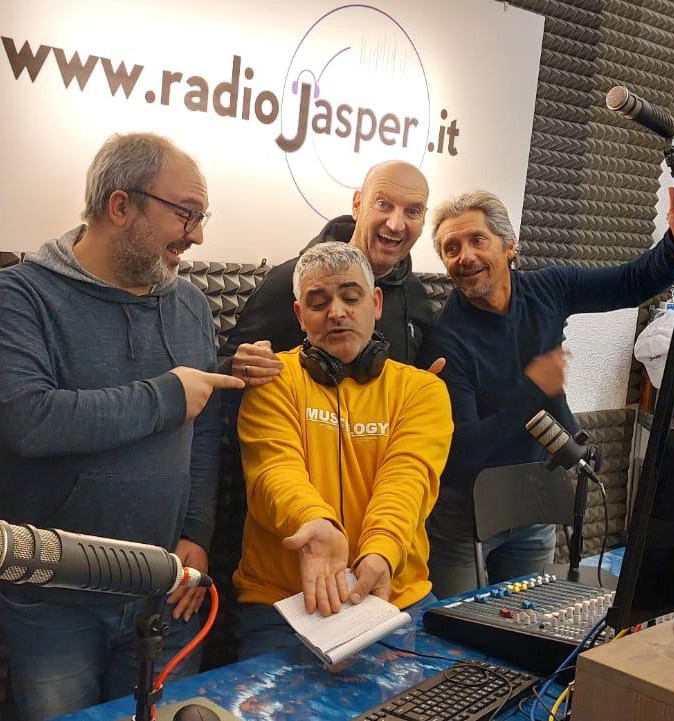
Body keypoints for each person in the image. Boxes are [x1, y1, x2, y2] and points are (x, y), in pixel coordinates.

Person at [0, 133, 244, 721]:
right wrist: (167, 396)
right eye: (186, 214)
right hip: (54, 601)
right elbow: (28, 420)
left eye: (201, 217)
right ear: (120, 206)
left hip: (166, 587)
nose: (197, 236)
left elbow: (203, 435)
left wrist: (197, 531)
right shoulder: (20, 297)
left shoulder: (191, 304)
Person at [418, 188, 674, 597]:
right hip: (465, 511)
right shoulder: (445, 340)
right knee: (455, 620)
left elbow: (632, 282)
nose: (465, 256)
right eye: (452, 248)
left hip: (533, 496)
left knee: (531, 616)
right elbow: (464, 449)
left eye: (477, 240)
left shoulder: (549, 288)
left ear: (509, 247)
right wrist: (533, 389)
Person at [232, 242, 452, 659]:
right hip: (284, 605)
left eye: (351, 298)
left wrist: (381, 551)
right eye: (319, 303)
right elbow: (273, 470)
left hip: (395, 597)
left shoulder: (422, 390)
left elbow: (408, 479)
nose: (336, 312)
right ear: (300, 315)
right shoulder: (272, 381)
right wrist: (314, 523)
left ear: (376, 303)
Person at [217, 160, 434, 383]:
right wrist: (235, 368)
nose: (396, 224)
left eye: (412, 211)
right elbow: (222, 371)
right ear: (357, 205)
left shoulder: (415, 295)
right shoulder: (286, 282)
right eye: (383, 204)